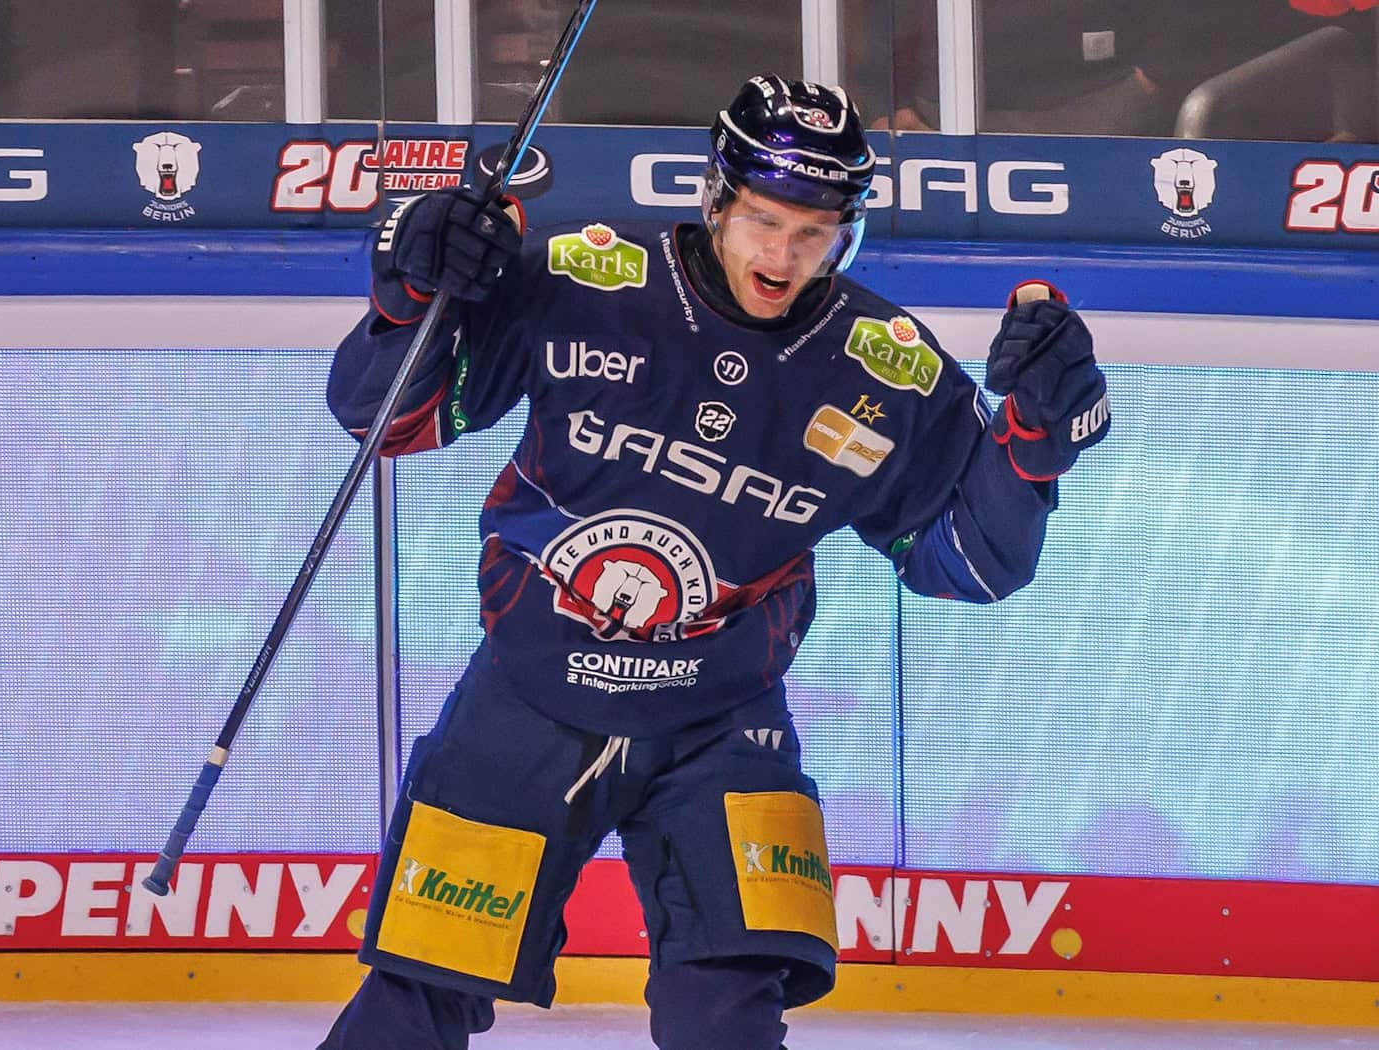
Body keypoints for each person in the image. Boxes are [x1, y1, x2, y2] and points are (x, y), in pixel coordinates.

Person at [318, 75, 1111, 1050]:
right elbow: (383, 416)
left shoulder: (884, 367)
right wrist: (407, 296)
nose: (781, 255)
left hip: (721, 726)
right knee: (413, 1000)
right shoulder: (579, 278)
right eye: (764, 221)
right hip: (526, 696)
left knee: (726, 1022)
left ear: (849, 231)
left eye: (812, 231)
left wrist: (1031, 448)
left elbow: (970, 564)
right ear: (715, 198)